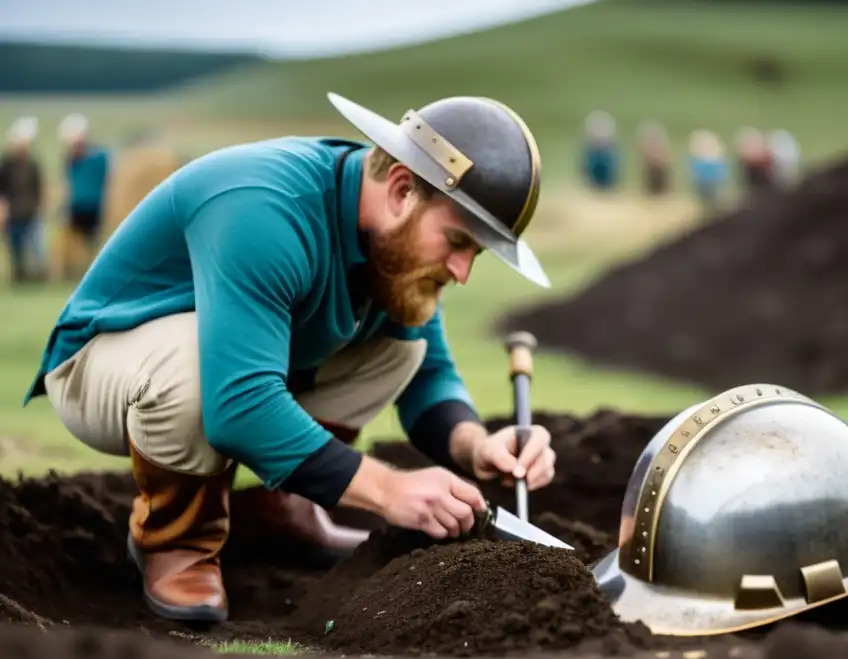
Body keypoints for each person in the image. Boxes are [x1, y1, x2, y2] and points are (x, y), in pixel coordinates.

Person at [25, 92, 557, 624]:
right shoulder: (265, 206)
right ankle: (177, 540)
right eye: (458, 241)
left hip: (228, 368)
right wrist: (388, 489)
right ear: (400, 189)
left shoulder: (390, 244)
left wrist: (476, 445)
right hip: (101, 365)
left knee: (404, 345)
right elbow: (238, 405)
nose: (462, 271)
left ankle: (282, 508)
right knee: (194, 366)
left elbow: (429, 374)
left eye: (476, 255)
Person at [56, 113, 110, 280]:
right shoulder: (71, 160)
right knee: (77, 245)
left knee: (95, 243)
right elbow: (67, 184)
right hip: (76, 208)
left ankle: (95, 272)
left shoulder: (98, 158)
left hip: (95, 207)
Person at [0, 117, 45, 283]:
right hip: (13, 214)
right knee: (15, 249)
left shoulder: (33, 164)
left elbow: (38, 188)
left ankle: (38, 277)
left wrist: (40, 207)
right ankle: (18, 277)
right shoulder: (6, 164)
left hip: (31, 213)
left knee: (36, 249)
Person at [580, 110, 621, 191]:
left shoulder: (611, 154)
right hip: (592, 187)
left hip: (609, 187)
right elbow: (585, 171)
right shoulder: (590, 154)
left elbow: (614, 173)